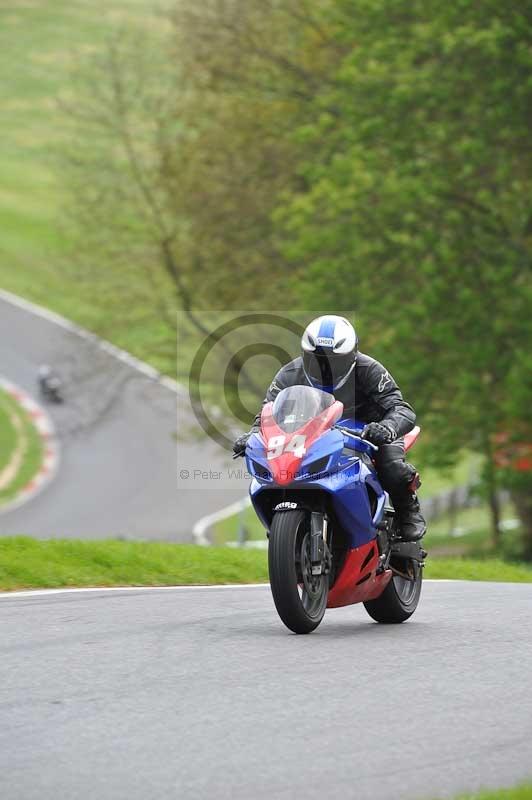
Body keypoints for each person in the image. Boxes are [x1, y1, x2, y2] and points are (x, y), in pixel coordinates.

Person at [233, 315, 426, 541]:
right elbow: (268, 413)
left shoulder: (369, 369)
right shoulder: (289, 374)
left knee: (390, 465)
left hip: (371, 430)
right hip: (316, 430)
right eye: (317, 360)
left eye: (334, 361)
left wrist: (387, 428)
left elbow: (401, 408)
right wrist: (254, 435)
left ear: (352, 355)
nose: (325, 368)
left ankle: (408, 513)